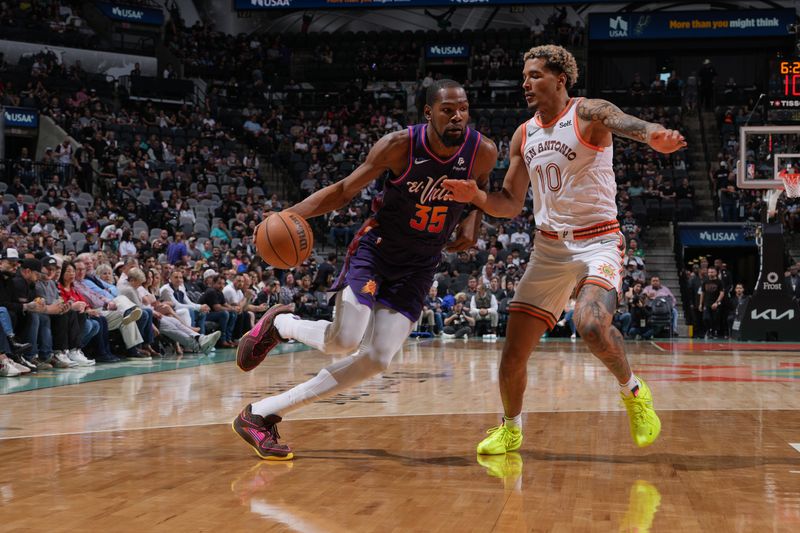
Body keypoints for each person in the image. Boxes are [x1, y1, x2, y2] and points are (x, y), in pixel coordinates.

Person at [232, 79, 497, 460]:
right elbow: (344, 190)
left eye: (463, 109)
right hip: (378, 249)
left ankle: (260, 415)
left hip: (421, 264)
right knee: (344, 340)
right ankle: (279, 326)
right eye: (447, 110)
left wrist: (474, 221)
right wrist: (291, 214)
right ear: (428, 113)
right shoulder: (399, 145)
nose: (457, 117)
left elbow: (480, 192)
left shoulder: (482, 151)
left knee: (378, 358)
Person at [443, 45, 685, 454]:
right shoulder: (524, 133)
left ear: (560, 78)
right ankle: (510, 427)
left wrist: (651, 135)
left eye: (535, 75)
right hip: (548, 250)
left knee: (590, 325)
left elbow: (625, 122)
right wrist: (477, 198)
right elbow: (509, 203)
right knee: (512, 353)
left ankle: (634, 392)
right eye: (524, 76)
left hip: (599, 241)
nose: (525, 83)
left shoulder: (587, 113)